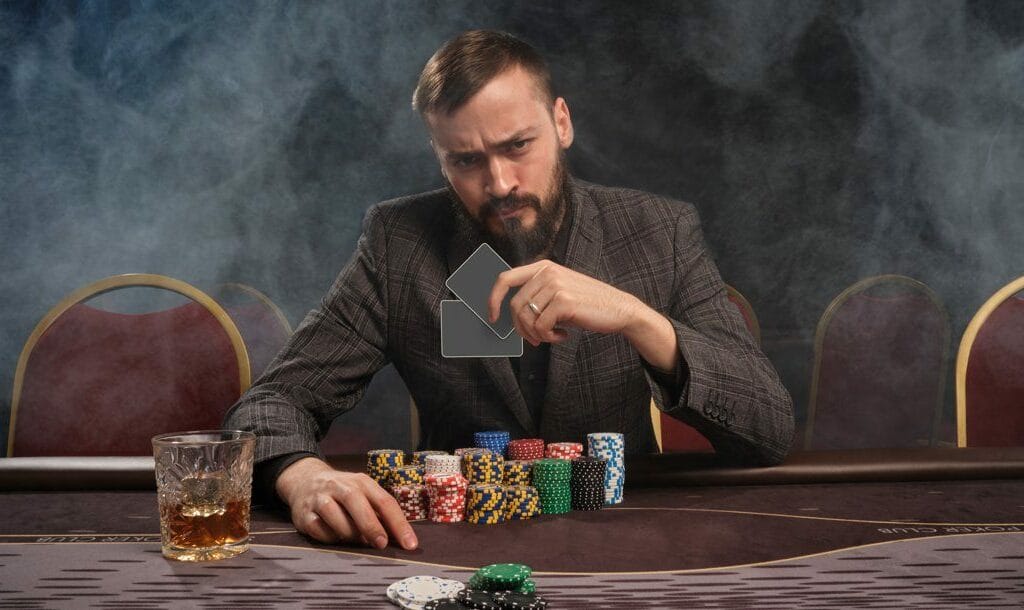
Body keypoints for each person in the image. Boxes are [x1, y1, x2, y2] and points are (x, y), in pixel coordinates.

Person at [224, 29, 794, 552]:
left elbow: (768, 429)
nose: (500, 184)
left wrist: (637, 319)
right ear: (439, 157)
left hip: (625, 534)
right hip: (454, 543)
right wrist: (303, 476)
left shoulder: (657, 233)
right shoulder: (400, 242)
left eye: (518, 145)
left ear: (562, 123)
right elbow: (272, 403)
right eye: (466, 160)